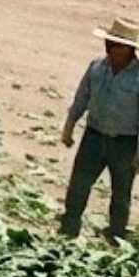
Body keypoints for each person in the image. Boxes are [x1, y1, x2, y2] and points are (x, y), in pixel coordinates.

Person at [59, 18, 139, 242]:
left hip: (125, 143)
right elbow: (81, 97)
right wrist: (69, 127)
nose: (110, 49)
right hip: (93, 136)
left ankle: (115, 235)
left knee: (121, 193)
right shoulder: (97, 66)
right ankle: (69, 228)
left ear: (129, 49)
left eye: (116, 45)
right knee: (79, 185)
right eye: (109, 44)